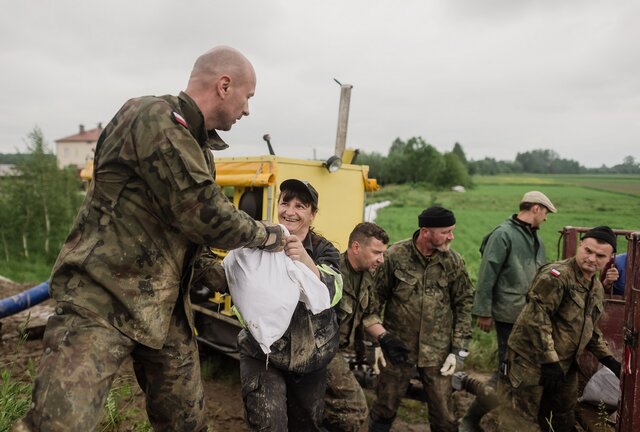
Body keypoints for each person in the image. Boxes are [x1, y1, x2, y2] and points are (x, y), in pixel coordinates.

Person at [14, 46, 286, 432]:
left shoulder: (200, 150)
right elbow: (203, 213)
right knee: (57, 425)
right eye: (248, 97)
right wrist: (269, 235)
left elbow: (191, 240)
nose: (247, 111)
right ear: (225, 85)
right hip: (102, 300)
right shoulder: (153, 117)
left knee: (187, 424)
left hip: (163, 310)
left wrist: (252, 280)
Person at [238, 179, 343, 431]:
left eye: (300, 206)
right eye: (285, 202)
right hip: (264, 355)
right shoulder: (259, 242)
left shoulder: (324, 250)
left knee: (306, 425)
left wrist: (305, 260)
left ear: (312, 214)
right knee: (269, 424)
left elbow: (333, 292)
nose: (290, 211)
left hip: (311, 358)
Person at [494, 226, 622, 432]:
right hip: (531, 360)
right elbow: (536, 319)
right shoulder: (556, 276)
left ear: (609, 258)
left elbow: (588, 328)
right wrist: (550, 360)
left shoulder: (596, 287)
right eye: (588, 251)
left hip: (564, 364)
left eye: (600, 255)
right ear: (580, 246)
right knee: (518, 420)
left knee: (561, 417)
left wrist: (607, 359)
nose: (591, 258)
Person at [364, 206, 474, 432]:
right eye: (446, 231)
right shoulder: (395, 256)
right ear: (425, 232)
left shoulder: (453, 262)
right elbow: (373, 301)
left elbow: (464, 305)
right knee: (384, 408)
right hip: (396, 350)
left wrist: (458, 350)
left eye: (452, 230)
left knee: (444, 415)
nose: (451, 236)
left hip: (438, 354)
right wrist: (374, 343)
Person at [461, 191, 556, 431]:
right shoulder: (503, 234)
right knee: (507, 371)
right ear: (535, 208)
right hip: (508, 314)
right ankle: (470, 420)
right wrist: (483, 311)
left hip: (529, 316)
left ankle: (502, 416)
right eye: (545, 212)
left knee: (517, 371)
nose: (546, 218)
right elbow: (487, 274)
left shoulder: (535, 239)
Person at [323, 222, 390, 432]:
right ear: (356, 247)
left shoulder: (369, 274)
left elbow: (368, 313)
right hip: (323, 352)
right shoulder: (330, 275)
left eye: (383, 253)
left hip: (341, 352)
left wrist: (384, 339)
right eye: (377, 252)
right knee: (356, 408)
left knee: (337, 411)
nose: (381, 259)